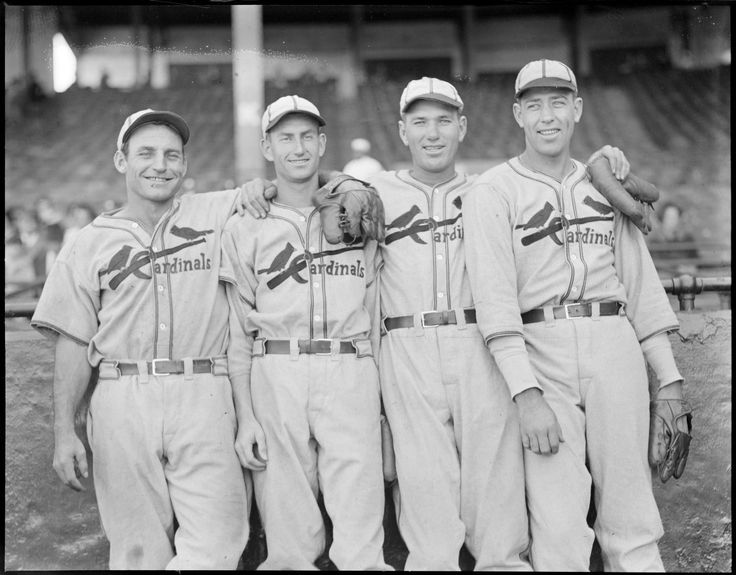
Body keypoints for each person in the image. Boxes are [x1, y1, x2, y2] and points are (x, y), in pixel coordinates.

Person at [239, 77, 635, 571]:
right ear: (402, 130)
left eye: (444, 121)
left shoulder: (494, 190)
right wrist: (262, 186)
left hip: (480, 343)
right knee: (427, 506)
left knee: (498, 506)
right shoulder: (375, 189)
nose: (432, 133)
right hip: (407, 345)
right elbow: (308, 181)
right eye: (420, 122)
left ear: (462, 127)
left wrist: (609, 158)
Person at [463, 59, 690, 571]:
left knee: (632, 515)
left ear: (577, 110)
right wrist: (526, 394)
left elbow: (639, 286)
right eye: (536, 105)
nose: (548, 116)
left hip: (613, 340)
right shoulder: (493, 190)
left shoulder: (606, 184)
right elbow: (496, 306)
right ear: (518, 114)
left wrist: (670, 380)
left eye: (559, 102)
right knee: (558, 521)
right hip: (540, 348)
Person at [30, 108, 253, 570]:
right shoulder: (87, 242)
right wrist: (63, 432)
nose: (160, 164)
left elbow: (291, 186)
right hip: (121, 392)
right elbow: (73, 340)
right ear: (121, 160)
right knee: (136, 551)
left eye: (173, 155)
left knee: (219, 543)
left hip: (204, 388)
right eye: (146, 153)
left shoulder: (216, 211)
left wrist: (344, 185)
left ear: (185, 165)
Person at [220, 95, 390, 570]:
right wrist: (246, 414)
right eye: (285, 137)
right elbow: (236, 328)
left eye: (307, 137)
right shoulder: (244, 225)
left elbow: (376, 311)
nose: (297, 148)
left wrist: (384, 404)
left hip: (350, 363)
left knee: (362, 530)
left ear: (322, 143)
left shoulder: (355, 213)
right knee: (288, 540)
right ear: (268, 147)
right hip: (276, 366)